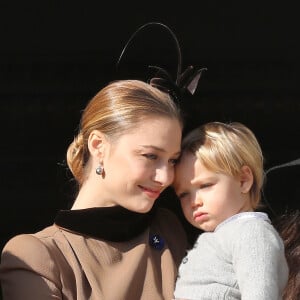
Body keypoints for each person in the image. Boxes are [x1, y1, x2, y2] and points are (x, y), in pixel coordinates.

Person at [0, 79, 188, 299]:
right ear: (99, 146)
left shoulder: (170, 229)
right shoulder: (39, 256)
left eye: (173, 160)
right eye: (150, 156)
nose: (165, 177)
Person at [172, 121, 289, 300]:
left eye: (205, 185)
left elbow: (260, 294)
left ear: (243, 181)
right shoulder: (224, 234)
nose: (194, 201)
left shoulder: (252, 232)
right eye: (183, 194)